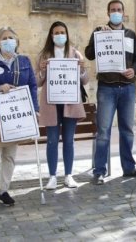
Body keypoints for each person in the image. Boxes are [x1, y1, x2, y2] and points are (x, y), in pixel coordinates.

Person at [85, 0, 136, 184]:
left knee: (127, 130)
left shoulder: (130, 34)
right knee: (103, 131)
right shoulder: (99, 32)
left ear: (123, 12)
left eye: (119, 9)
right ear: (108, 13)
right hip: (106, 88)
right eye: (113, 10)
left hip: (127, 87)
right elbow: (89, 54)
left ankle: (129, 167)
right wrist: (98, 38)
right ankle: (99, 171)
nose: (116, 12)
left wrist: (134, 70)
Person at [0, 27, 39, 212]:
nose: (8, 41)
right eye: (4, 38)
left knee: (10, 156)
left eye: (11, 38)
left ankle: (4, 190)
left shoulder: (23, 61)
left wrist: (35, 110)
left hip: (15, 117)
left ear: (17, 41)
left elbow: (32, 85)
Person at [38, 21, 89, 190]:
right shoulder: (44, 55)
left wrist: (82, 69)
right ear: (51, 36)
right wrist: (43, 70)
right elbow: (37, 81)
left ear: (66, 34)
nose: (59, 35)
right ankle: (52, 176)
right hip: (52, 104)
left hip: (70, 103)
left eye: (62, 32)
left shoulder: (75, 54)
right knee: (52, 140)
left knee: (69, 140)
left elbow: (85, 79)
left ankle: (68, 175)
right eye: (56, 32)